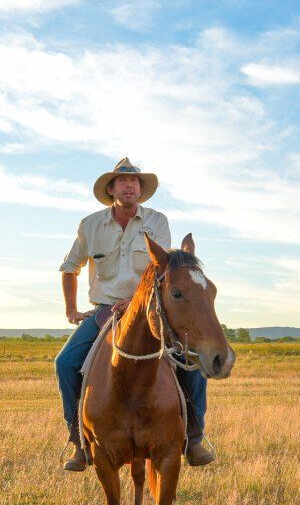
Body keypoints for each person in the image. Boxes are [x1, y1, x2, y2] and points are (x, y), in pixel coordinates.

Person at [56, 157, 213, 472]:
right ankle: (78, 440)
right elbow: (69, 267)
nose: (130, 186)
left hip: (146, 306)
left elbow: (162, 268)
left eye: (136, 182)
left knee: (190, 358)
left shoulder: (157, 221)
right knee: (66, 363)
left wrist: (134, 300)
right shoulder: (91, 225)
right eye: (123, 181)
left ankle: (195, 436)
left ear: (141, 190)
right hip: (104, 310)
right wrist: (71, 309)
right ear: (111, 189)